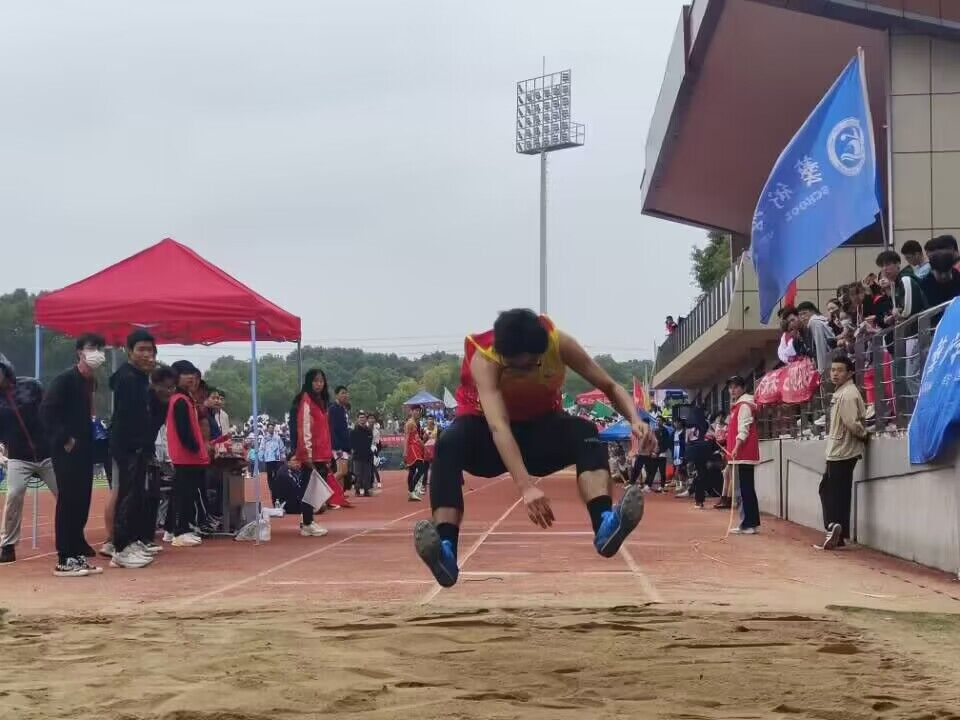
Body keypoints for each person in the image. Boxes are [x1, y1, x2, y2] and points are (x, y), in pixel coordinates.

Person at [413, 309, 655, 588]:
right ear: (502, 356)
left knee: (586, 432)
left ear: (542, 353)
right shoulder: (485, 359)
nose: (523, 373)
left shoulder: (559, 344)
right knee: (447, 442)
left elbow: (610, 386)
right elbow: (499, 426)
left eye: (530, 366)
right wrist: (525, 486)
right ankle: (446, 550)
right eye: (514, 368)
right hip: (486, 438)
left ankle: (604, 524)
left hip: (541, 433)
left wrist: (635, 419)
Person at [41, 333, 108, 576]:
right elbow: (47, 412)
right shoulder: (65, 380)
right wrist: (65, 439)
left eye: (100, 348)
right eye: (92, 347)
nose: (97, 352)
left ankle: (76, 552)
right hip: (66, 448)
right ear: (79, 351)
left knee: (82, 500)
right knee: (69, 500)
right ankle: (65, 557)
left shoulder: (91, 381)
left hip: (86, 447)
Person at [107, 329, 160, 568]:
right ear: (129, 351)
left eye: (150, 350)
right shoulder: (127, 377)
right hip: (128, 445)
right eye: (141, 349)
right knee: (127, 495)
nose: (146, 354)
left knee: (137, 494)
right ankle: (120, 548)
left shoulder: (140, 377)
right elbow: (127, 415)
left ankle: (130, 541)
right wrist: (136, 443)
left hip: (139, 445)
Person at [0, 354, 57, 564]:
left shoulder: (32, 386)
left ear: (6, 369)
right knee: (13, 494)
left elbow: (51, 411)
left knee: (65, 494)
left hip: (48, 453)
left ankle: (71, 538)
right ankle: (7, 545)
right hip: (18, 457)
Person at [817, 351, 868, 551]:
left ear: (850, 373)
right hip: (841, 449)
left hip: (841, 450)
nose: (835, 374)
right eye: (833, 370)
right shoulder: (844, 392)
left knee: (829, 490)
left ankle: (833, 526)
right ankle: (838, 532)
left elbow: (851, 422)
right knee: (838, 491)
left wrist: (864, 434)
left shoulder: (847, 394)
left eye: (839, 370)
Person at [166, 360, 210, 548]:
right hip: (186, 456)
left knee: (183, 493)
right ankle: (180, 531)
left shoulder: (186, 398)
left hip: (187, 455)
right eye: (185, 374)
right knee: (184, 494)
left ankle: (172, 529)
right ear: (175, 377)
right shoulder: (180, 400)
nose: (190, 377)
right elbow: (183, 430)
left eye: (192, 373)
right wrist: (194, 447)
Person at [291, 368, 332, 536]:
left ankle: (307, 520)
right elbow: (304, 427)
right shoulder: (306, 400)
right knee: (309, 488)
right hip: (311, 453)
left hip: (321, 452)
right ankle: (307, 523)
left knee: (313, 488)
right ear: (309, 382)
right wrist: (306, 454)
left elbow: (323, 429)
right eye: (315, 381)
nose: (319, 384)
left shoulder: (321, 401)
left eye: (321, 381)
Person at [726, 375, 761, 535]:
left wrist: (736, 447)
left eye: (736, 387)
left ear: (743, 388)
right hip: (741, 454)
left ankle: (748, 523)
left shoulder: (744, 405)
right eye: (730, 387)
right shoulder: (739, 405)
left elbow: (743, 430)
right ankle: (748, 522)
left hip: (743, 454)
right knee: (745, 489)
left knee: (744, 489)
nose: (732, 390)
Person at [795, 302, 837, 375]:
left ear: (813, 311)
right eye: (800, 315)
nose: (802, 317)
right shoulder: (815, 322)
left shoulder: (814, 322)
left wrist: (821, 370)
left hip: (829, 361)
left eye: (804, 313)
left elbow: (820, 346)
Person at [328, 385, 351, 491]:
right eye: (342, 393)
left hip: (344, 445)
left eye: (346, 393)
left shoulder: (342, 409)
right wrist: (337, 446)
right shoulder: (333, 409)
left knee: (341, 473)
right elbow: (332, 429)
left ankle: (340, 495)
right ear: (336, 395)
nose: (345, 395)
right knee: (342, 471)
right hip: (338, 446)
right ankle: (324, 487)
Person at [403, 405, 426, 501]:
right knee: (421, 469)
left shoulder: (415, 423)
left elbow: (417, 438)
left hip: (416, 448)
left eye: (419, 411)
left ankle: (411, 493)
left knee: (412, 470)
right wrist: (405, 452)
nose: (417, 412)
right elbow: (406, 438)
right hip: (412, 449)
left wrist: (424, 447)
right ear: (411, 412)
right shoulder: (410, 423)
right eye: (415, 410)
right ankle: (411, 489)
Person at [350, 410, 375, 497]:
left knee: (367, 474)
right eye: (360, 417)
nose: (362, 419)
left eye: (363, 417)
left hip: (367, 455)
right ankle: (357, 490)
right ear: (357, 419)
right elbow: (351, 444)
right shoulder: (354, 431)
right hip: (357, 455)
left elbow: (370, 442)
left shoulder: (369, 431)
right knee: (358, 474)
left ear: (366, 419)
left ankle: (366, 490)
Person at [259, 422, 286, 503]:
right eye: (270, 428)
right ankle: (271, 488)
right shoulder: (264, 438)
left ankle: (277, 486)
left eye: (272, 428)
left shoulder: (277, 438)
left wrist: (283, 455)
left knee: (277, 473)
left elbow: (281, 447)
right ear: (267, 429)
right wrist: (261, 456)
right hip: (268, 458)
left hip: (276, 458)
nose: (271, 429)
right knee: (270, 474)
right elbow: (262, 447)